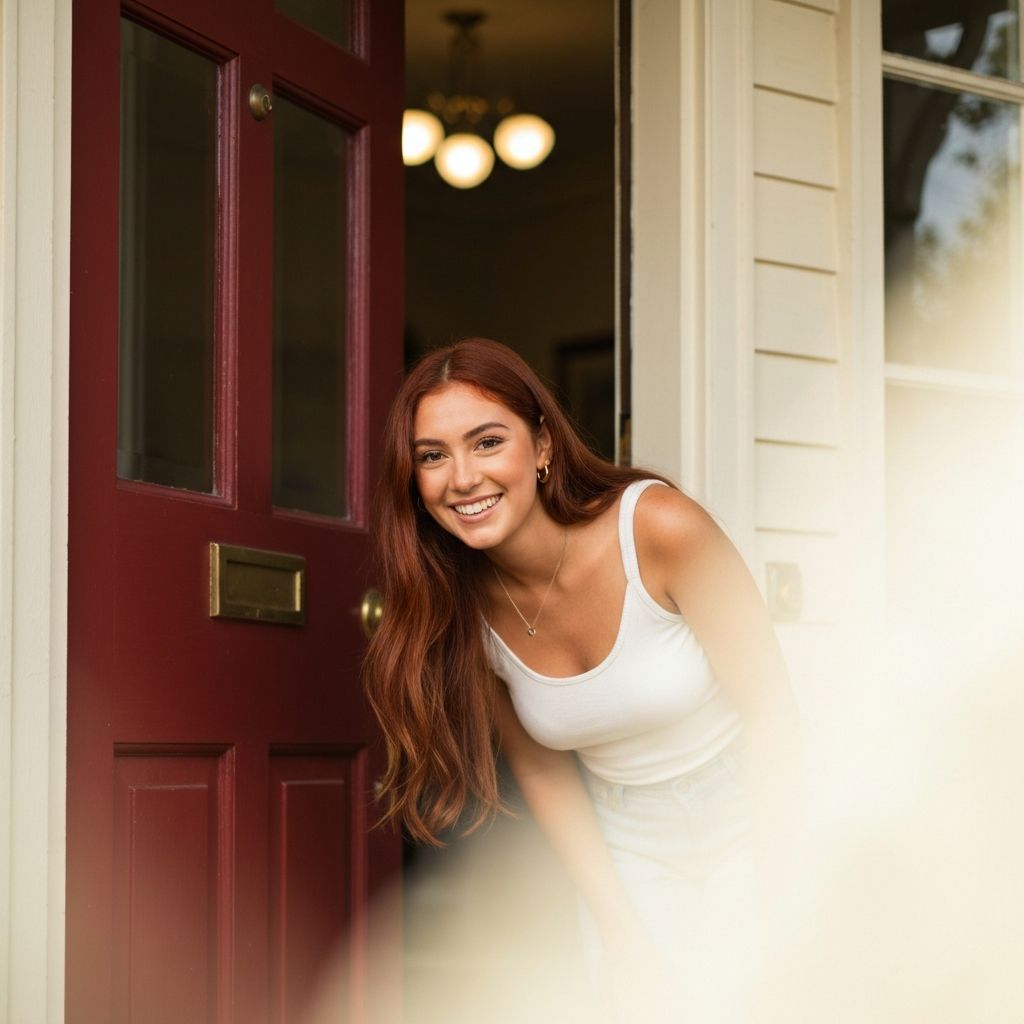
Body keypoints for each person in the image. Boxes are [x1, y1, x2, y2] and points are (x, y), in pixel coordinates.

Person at [363, 338, 800, 1021]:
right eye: (432, 456)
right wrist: (619, 927)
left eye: (486, 442)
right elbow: (542, 771)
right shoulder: (464, 612)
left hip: (753, 802)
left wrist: (779, 884)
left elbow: (772, 710)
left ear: (541, 446)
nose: (461, 478)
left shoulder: (659, 528)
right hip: (628, 832)